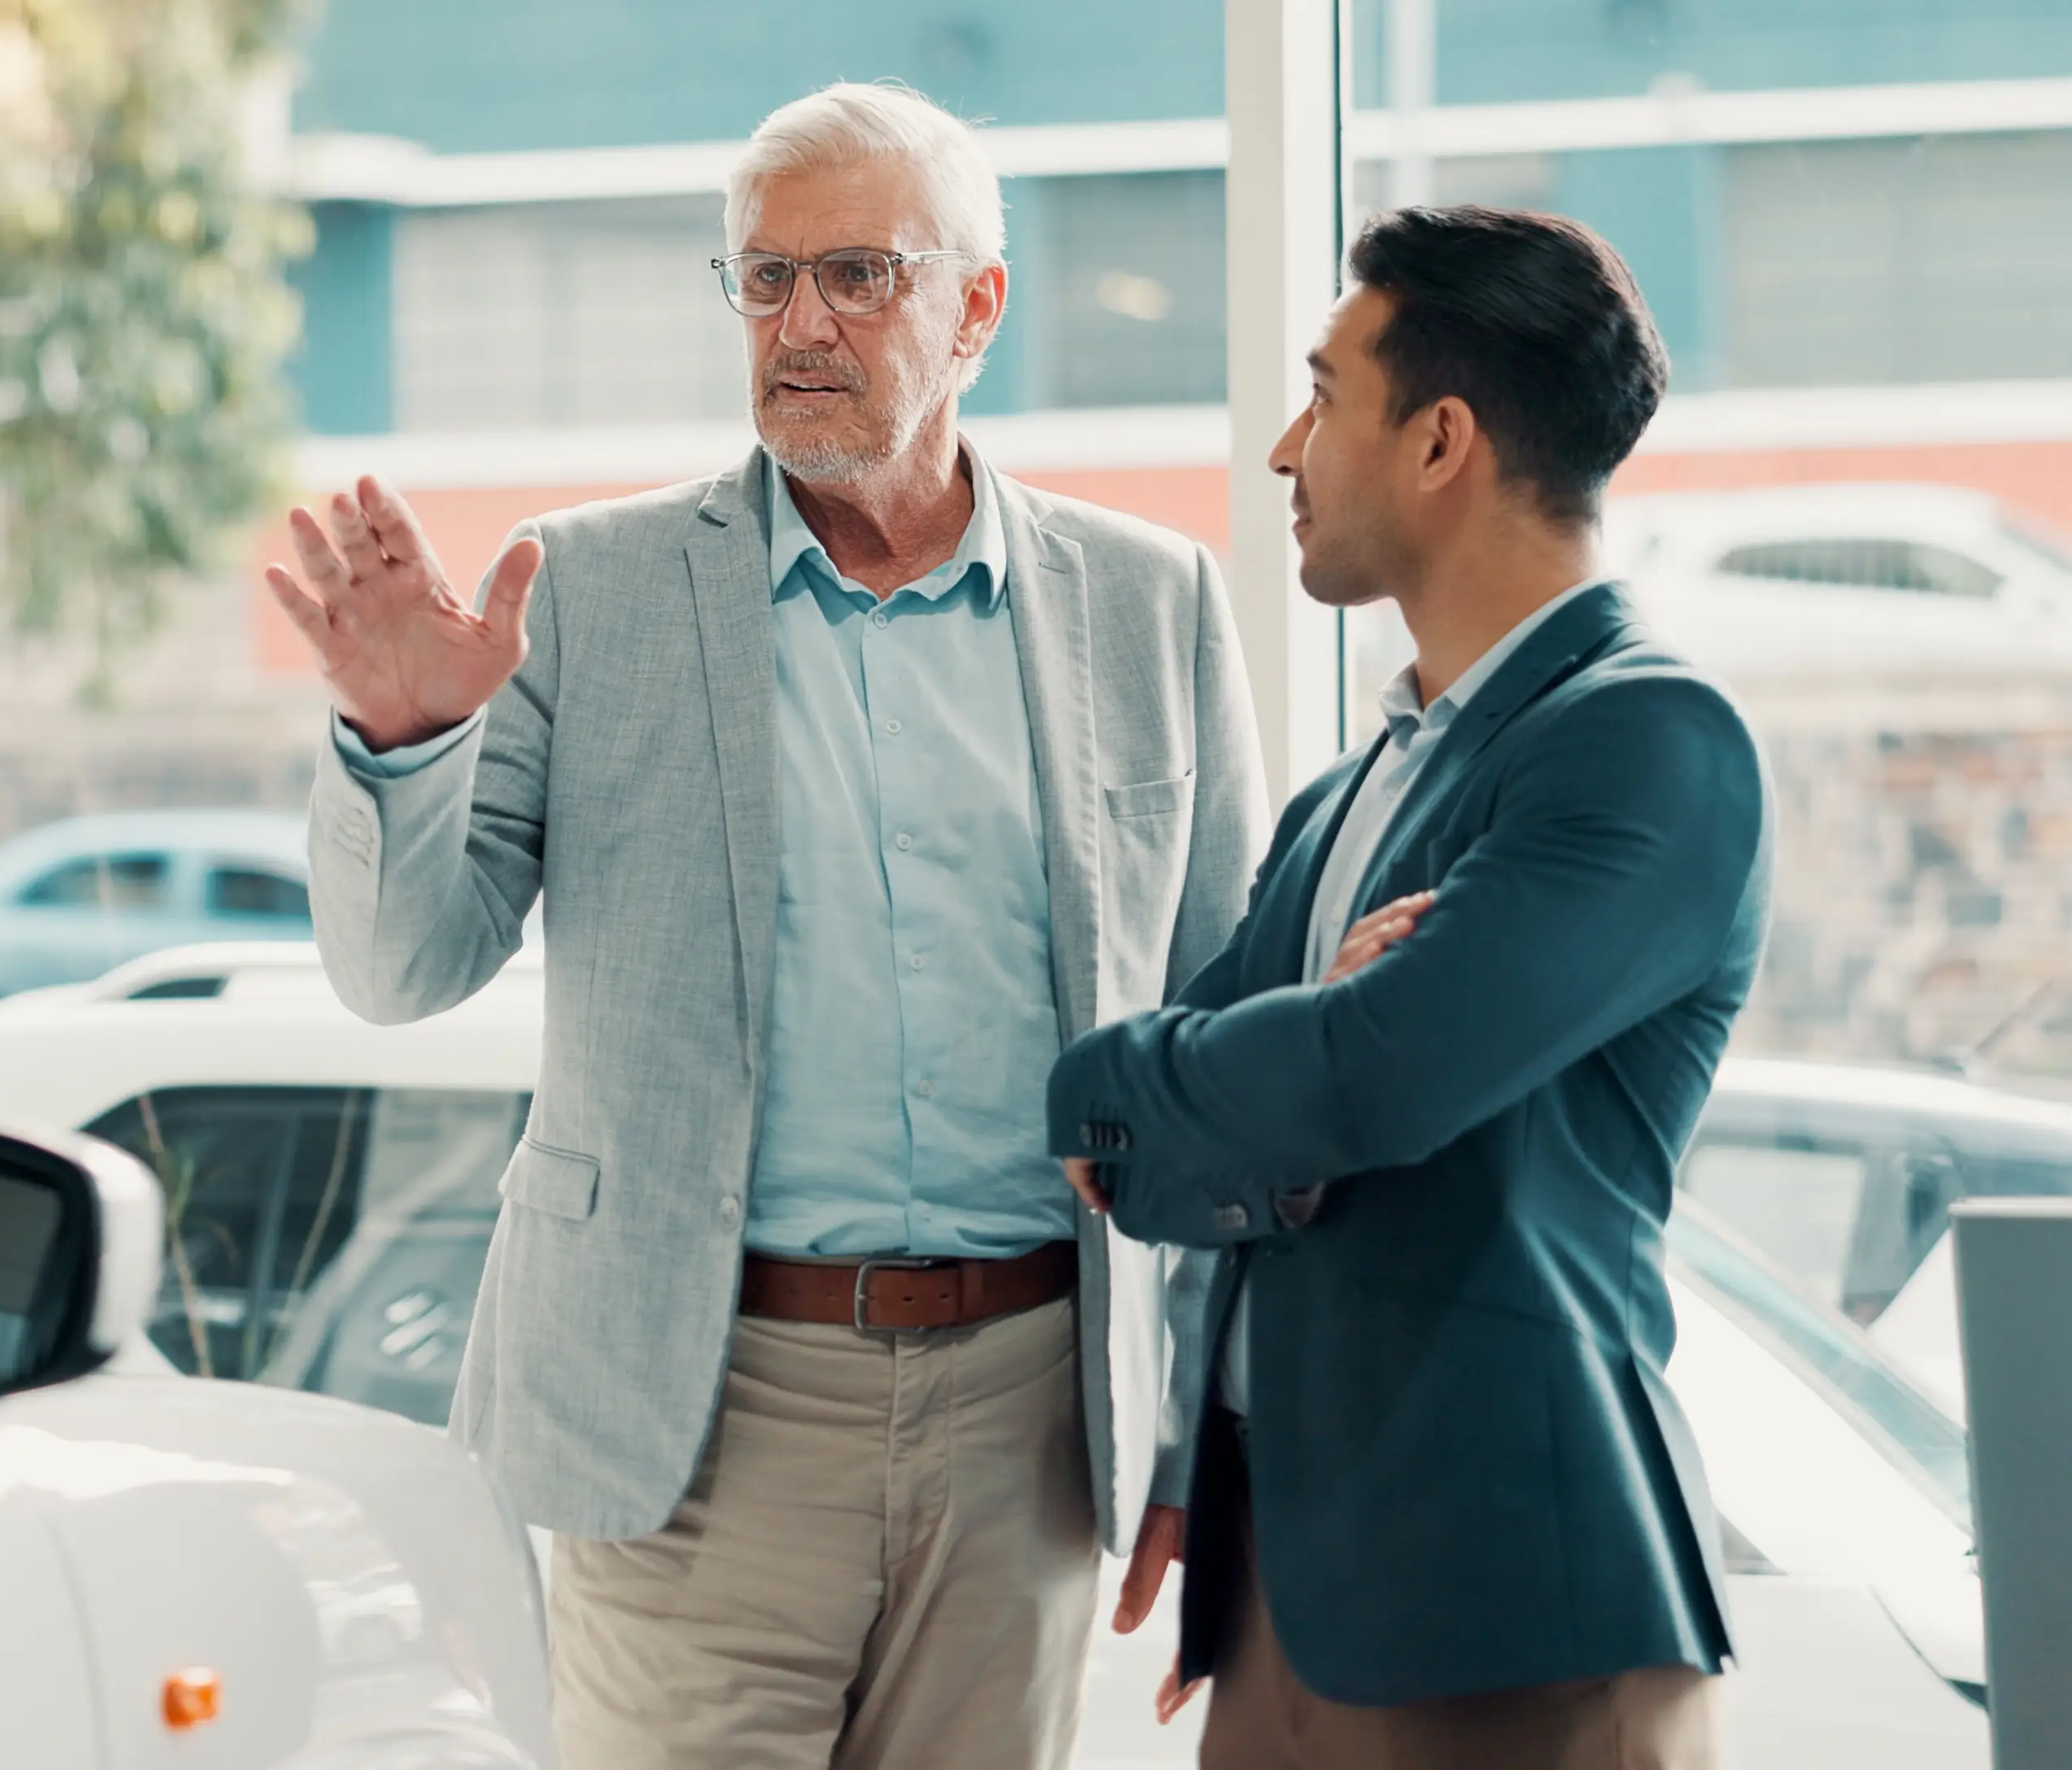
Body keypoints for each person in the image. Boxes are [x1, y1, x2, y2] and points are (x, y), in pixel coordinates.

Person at [266, 80, 1269, 1770]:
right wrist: (402, 739)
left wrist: (1209, 1435)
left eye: (859, 276)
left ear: (979, 308)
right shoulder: (581, 591)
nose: (799, 324)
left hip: (1030, 1419)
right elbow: (397, 972)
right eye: (763, 279)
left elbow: (1225, 1056)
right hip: (694, 1415)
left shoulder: (1150, 605)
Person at [1050, 205, 1767, 1770]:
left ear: (1441, 440)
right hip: (1288, 1606)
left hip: (1514, 1615)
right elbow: (1131, 1146)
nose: (1283, 450)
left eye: (1323, 395)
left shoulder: (1647, 741)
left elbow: (1375, 1080)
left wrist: (1268, 1063)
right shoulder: (1344, 802)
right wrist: (1211, 1069)